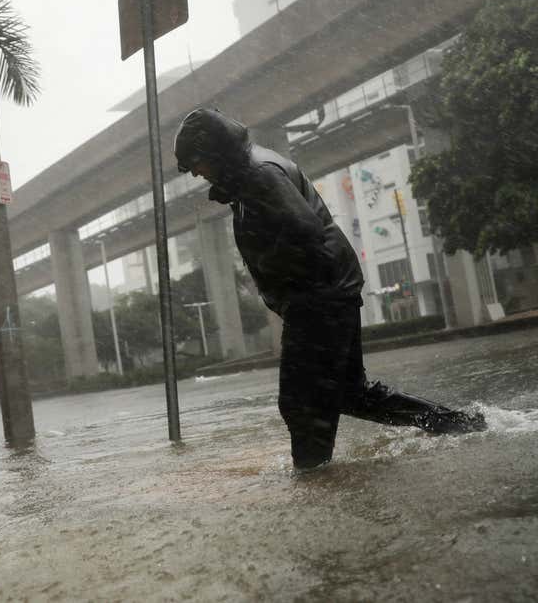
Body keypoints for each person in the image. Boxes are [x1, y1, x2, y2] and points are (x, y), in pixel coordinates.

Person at [172, 107, 485, 470]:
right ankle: (458, 425)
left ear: (215, 151)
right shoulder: (250, 172)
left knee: (300, 402)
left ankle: (313, 479)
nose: (196, 172)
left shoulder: (258, 175)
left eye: (196, 162)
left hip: (318, 296)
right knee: (351, 394)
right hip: (329, 290)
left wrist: (293, 291)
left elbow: (303, 230)